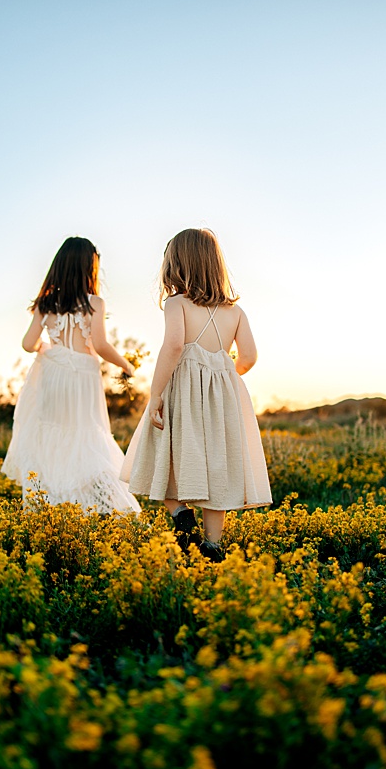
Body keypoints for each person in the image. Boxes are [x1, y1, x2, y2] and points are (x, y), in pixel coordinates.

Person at [121, 228, 272, 559]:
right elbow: (248, 357)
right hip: (222, 398)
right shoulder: (236, 312)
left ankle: (180, 514)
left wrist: (156, 394)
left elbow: (174, 346)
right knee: (217, 465)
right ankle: (213, 546)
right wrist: (223, 376)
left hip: (183, 393)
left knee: (166, 454)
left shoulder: (176, 303)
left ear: (177, 265)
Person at [2, 237, 141, 514]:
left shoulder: (45, 303)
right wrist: (126, 364)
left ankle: (52, 508)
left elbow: (28, 344)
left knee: (54, 435)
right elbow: (100, 346)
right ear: (88, 267)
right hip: (82, 377)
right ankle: (95, 508)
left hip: (53, 375)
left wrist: (47, 348)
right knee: (87, 435)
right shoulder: (94, 303)